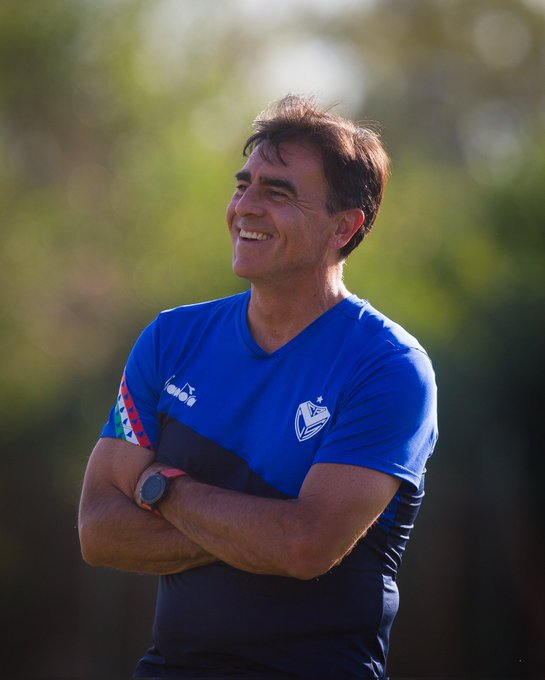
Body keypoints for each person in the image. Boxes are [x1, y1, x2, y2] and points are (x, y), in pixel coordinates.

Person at [78, 94, 438, 679]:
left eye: (278, 193)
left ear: (344, 227)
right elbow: (98, 530)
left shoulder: (389, 367)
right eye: (243, 186)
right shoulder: (170, 339)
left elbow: (304, 548)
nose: (245, 207)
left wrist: (160, 490)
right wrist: (259, 533)